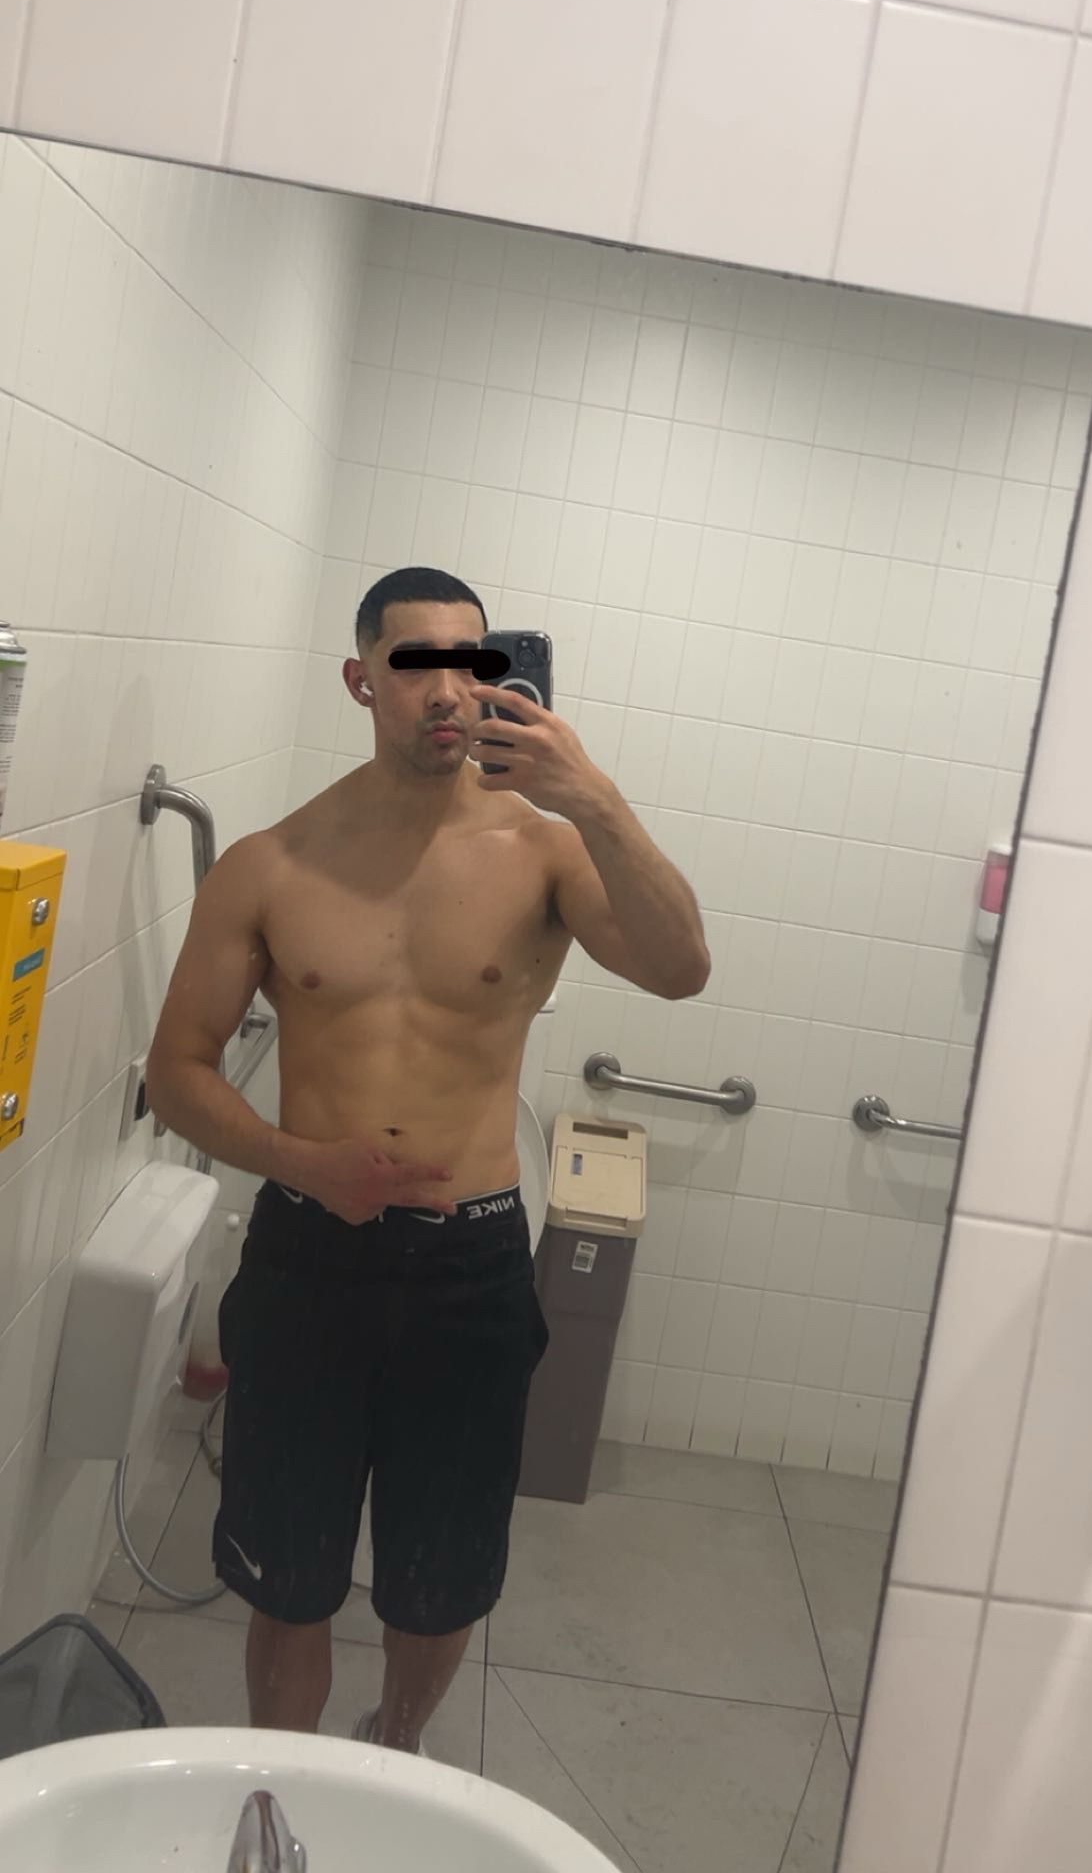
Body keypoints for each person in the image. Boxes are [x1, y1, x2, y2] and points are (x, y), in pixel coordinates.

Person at [146, 566, 711, 1753]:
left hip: (471, 1268)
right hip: (309, 1258)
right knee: (288, 1574)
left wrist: (594, 796)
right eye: (417, 664)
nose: (449, 690)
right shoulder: (272, 863)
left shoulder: (544, 852)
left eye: (472, 662)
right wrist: (301, 1162)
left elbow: (680, 968)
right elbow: (179, 1072)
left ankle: (394, 1749)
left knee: (439, 1580)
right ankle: (283, 1777)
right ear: (363, 681)